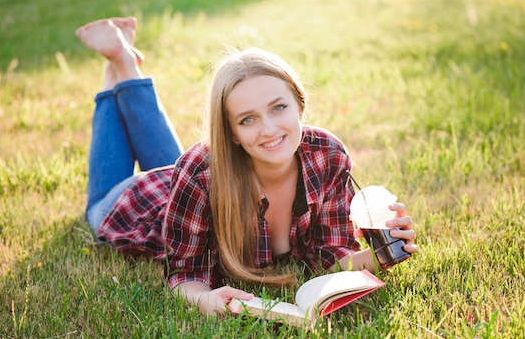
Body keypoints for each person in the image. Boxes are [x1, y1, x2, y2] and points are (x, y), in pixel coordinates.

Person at [76, 17, 419, 316]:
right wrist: (205, 299)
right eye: (248, 119)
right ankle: (117, 65)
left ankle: (123, 61)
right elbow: (184, 276)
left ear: (300, 105)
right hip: (133, 205)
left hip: (183, 179)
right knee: (102, 199)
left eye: (278, 108)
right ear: (232, 134)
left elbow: (331, 256)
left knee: (180, 164)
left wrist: (383, 253)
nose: (269, 129)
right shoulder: (199, 173)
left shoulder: (327, 156)